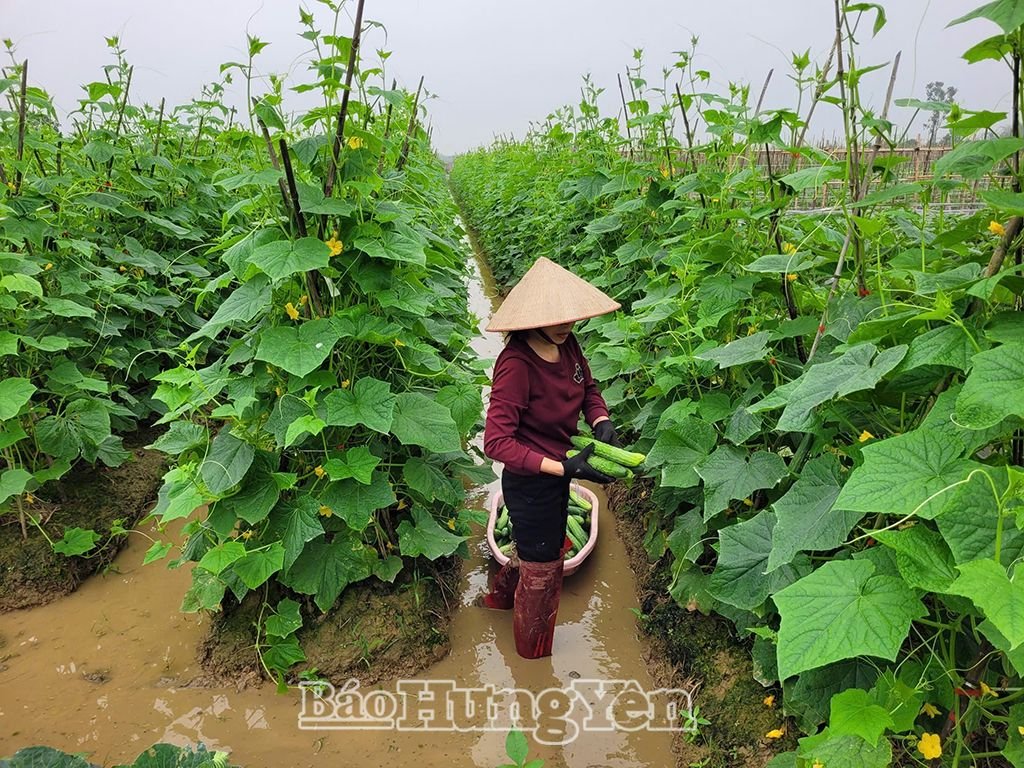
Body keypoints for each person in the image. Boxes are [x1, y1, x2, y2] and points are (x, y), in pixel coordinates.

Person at [480, 256, 622, 659]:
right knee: (543, 572)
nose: (566, 326)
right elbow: (496, 442)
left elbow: (589, 388)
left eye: (570, 318)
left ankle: (498, 601)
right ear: (532, 319)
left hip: (559, 472)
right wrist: (562, 467)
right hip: (529, 483)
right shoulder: (516, 365)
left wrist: (600, 420)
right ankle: (531, 661)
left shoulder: (569, 344)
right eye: (556, 319)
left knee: (539, 549)